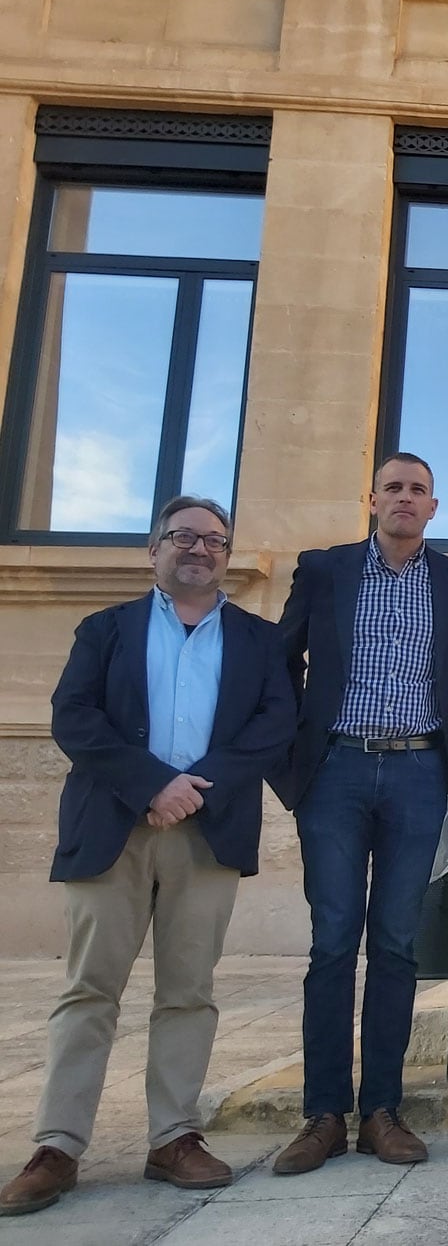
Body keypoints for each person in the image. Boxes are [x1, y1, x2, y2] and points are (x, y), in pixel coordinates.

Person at [0, 497, 294, 1218]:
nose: (199, 550)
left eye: (214, 541)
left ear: (227, 556)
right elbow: (76, 717)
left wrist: (193, 790)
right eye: (183, 537)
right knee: (89, 990)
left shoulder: (258, 639)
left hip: (209, 831)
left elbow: (276, 723)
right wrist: (151, 786)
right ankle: (58, 1146)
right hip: (113, 827)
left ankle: (174, 1138)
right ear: (153, 550)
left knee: (189, 991)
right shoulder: (106, 629)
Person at [272, 454, 448, 1174]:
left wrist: (438, 752)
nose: (403, 498)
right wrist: (294, 763)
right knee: (333, 940)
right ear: (372, 500)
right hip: (337, 770)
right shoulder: (325, 569)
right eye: (392, 487)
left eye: (417, 490)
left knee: (394, 944)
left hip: (419, 772)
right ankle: (323, 1114)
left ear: (433, 507)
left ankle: (382, 1112)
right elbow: (281, 663)